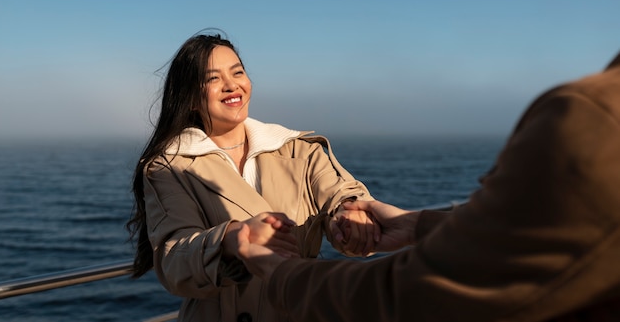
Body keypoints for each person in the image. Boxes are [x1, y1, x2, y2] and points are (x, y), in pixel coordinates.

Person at [237, 52, 620, 322]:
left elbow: (410, 296)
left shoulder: (594, 117)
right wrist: (416, 224)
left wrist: (277, 272)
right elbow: (540, 241)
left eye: (237, 72)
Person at [127, 31, 377, 322]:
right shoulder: (170, 166)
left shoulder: (298, 150)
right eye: (213, 78)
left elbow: (340, 193)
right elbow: (174, 262)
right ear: (191, 98)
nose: (232, 85)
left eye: (238, 72)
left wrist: (351, 215)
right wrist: (233, 239)